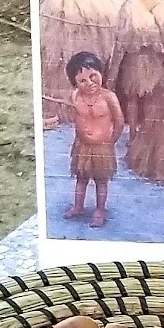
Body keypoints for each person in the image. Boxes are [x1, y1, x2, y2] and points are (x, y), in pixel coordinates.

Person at [42, 51, 125, 228]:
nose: (89, 83)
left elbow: (119, 121)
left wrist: (111, 142)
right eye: (82, 80)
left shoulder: (109, 97)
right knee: (81, 178)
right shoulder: (75, 96)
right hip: (82, 146)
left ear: (101, 73)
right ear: (75, 83)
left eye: (93, 76)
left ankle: (100, 211)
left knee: (101, 181)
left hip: (102, 147)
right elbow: (70, 112)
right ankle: (78, 207)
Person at [110, 0, 164, 129]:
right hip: (134, 57)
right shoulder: (129, 6)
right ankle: (133, 132)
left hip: (152, 57)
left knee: (151, 95)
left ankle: (147, 131)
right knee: (132, 95)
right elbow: (122, 32)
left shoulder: (158, 5)